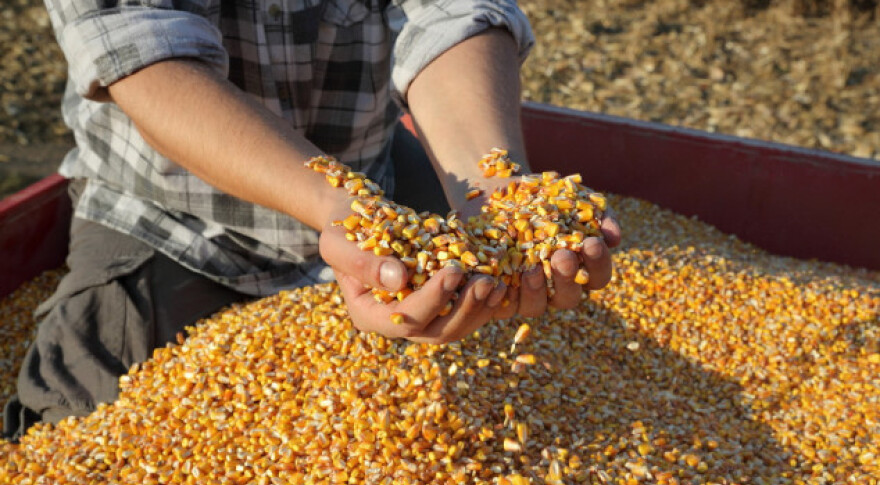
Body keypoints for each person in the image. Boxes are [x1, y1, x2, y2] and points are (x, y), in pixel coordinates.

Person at [3, 0, 621, 439]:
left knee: (491, 358)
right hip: (169, 216)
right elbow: (140, 48)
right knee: (71, 431)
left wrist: (489, 186)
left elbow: (453, 13)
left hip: (376, 178)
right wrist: (339, 209)